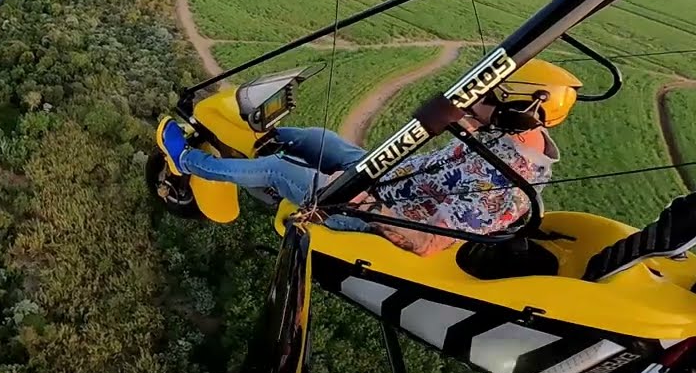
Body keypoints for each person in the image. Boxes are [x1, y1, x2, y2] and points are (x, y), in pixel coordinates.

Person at [157, 60, 582, 255]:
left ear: (516, 109)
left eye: (486, 97)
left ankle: (189, 162)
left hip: (371, 219)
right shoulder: (515, 134)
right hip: (387, 178)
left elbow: (425, 244)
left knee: (277, 168)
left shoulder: (506, 194)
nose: (475, 101)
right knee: (317, 138)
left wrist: (360, 202)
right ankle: (255, 140)